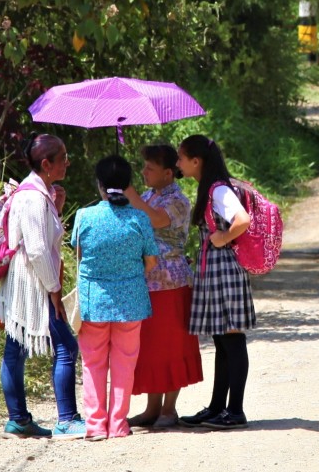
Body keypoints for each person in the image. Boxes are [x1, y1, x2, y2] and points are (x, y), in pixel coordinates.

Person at [0, 133, 85, 439]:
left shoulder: (36, 194)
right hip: (34, 284)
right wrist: (54, 288)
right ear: (46, 164)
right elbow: (36, 250)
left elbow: (41, 238)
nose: (67, 163)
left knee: (16, 347)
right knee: (66, 346)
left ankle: (19, 419)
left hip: (23, 282)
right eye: (62, 158)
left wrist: (57, 207)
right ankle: (67, 419)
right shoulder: (33, 198)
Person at [71, 155, 159, 440]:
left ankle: (95, 425)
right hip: (131, 302)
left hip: (93, 301)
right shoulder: (139, 218)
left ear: (99, 184)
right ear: (128, 185)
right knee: (124, 363)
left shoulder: (85, 216)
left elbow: (79, 253)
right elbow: (151, 262)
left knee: (93, 363)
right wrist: (130, 272)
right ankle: (118, 425)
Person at [175, 135, 255, 430]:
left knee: (232, 338)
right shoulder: (210, 189)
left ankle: (235, 411)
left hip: (226, 270)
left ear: (197, 161)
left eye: (181, 158)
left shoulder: (219, 190)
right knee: (223, 340)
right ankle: (218, 407)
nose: (178, 163)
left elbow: (242, 220)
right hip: (217, 270)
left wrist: (219, 238)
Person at [124, 145, 203, 429]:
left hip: (172, 281)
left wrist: (131, 195)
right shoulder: (147, 195)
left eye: (150, 168)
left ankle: (169, 409)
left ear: (168, 174)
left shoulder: (178, 200)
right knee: (151, 345)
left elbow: (156, 219)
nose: (144, 172)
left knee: (172, 343)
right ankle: (152, 408)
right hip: (147, 281)